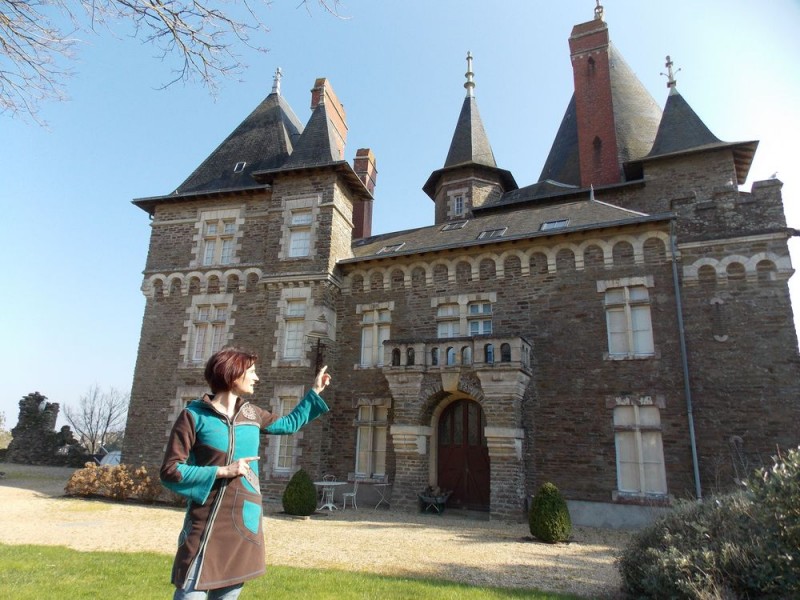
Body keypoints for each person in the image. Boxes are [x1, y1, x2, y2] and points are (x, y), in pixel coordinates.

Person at [160, 347, 331, 599]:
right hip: (203, 526)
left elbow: (289, 424)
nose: (256, 377)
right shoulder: (193, 416)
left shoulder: (252, 414)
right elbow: (170, 471)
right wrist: (221, 471)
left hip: (242, 527)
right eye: (251, 371)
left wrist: (314, 391)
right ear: (232, 374)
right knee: (189, 593)